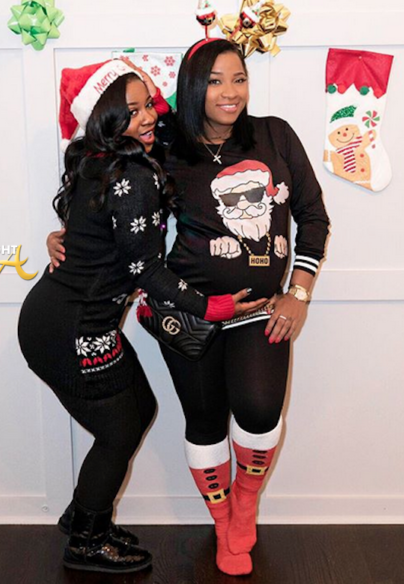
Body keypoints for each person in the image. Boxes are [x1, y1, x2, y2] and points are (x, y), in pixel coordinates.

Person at [48, 39, 330, 576]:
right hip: (186, 311)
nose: (230, 92)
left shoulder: (275, 135)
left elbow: (313, 216)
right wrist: (67, 234)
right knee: (204, 419)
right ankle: (223, 523)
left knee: (259, 410)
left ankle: (244, 500)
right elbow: (106, 180)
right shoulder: (163, 141)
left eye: (239, 78)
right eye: (216, 80)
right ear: (193, 86)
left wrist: (298, 292)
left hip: (258, 307)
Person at [18, 57, 266, 575]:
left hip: (70, 318)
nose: (148, 116)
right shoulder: (129, 173)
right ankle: (87, 540)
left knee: (140, 406)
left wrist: (60, 237)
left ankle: (84, 515)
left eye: (148, 104)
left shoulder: (103, 160)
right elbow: (145, 269)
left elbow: (94, 238)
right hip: (71, 328)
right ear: (106, 118)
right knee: (118, 432)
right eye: (131, 111)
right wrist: (212, 307)